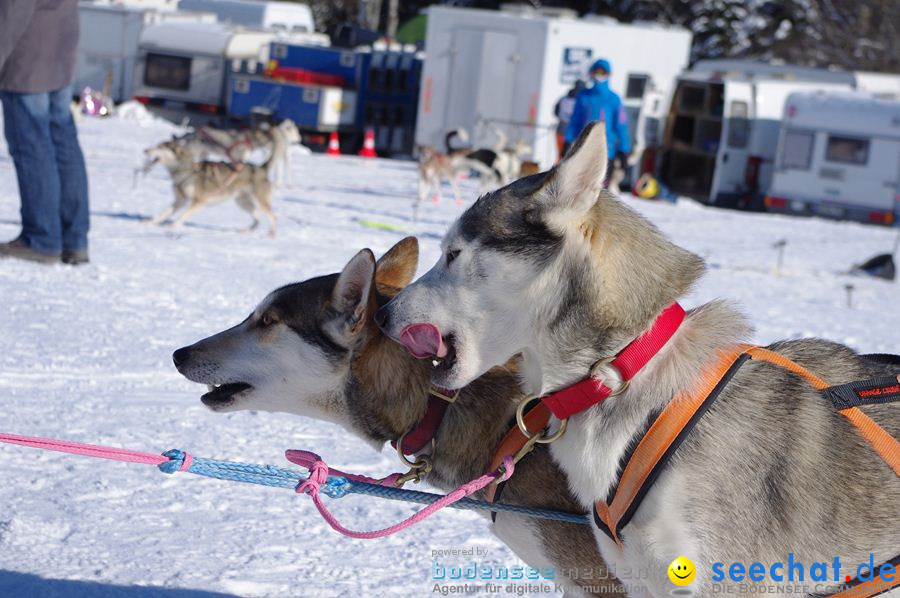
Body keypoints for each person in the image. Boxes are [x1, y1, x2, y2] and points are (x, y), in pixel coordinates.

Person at [0, 0, 90, 265]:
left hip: (27, 59)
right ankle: (73, 239)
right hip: (59, 50)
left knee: (33, 149)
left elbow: (13, 10)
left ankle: (42, 238)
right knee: (63, 143)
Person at [564, 58, 631, 188]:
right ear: (591, 73)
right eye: (597, 72)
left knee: (599, 189)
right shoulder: (583, 96)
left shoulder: (614, 99)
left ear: (609, 75)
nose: (599, 75)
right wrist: (568, 140)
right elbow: (575, 121)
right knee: (578, 187)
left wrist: (624, 150)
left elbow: (621, 126)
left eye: (603, 72)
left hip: (606, 150)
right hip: (583, 147)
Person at [553, 80, 584, 163]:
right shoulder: (582, 100)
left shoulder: (563, 99)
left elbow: (556, 112)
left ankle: (555, 173)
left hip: (561, 129)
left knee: (560, 155)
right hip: (574, 133)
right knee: (572, 158)